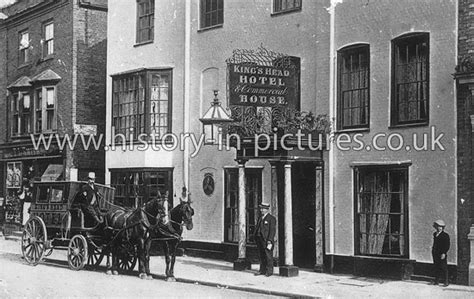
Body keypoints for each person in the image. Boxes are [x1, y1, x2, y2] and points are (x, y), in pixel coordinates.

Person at [254, 202, 276, 277]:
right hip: (259, 239)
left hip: (267, 240)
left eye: (263, 209)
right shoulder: (260, 218)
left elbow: (272, 230)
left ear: (267, 210)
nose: (261, 210)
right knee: (261, 255)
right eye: (261, 209)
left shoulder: (271, 219)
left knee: (268, 256)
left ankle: (269, 271)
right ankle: (262, 270)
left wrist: (270, 240)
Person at [430, 219, 450, 286]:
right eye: (438, 226)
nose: (439, 228)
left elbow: (447, 245)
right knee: (436, 267)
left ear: (443, 228)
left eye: (441, 227)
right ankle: (436, 281)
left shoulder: (445, 235)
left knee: (443, 267)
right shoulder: (435, 234)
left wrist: (444, 253)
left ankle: (446, 281)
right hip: (435, 253)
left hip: (442, 253)